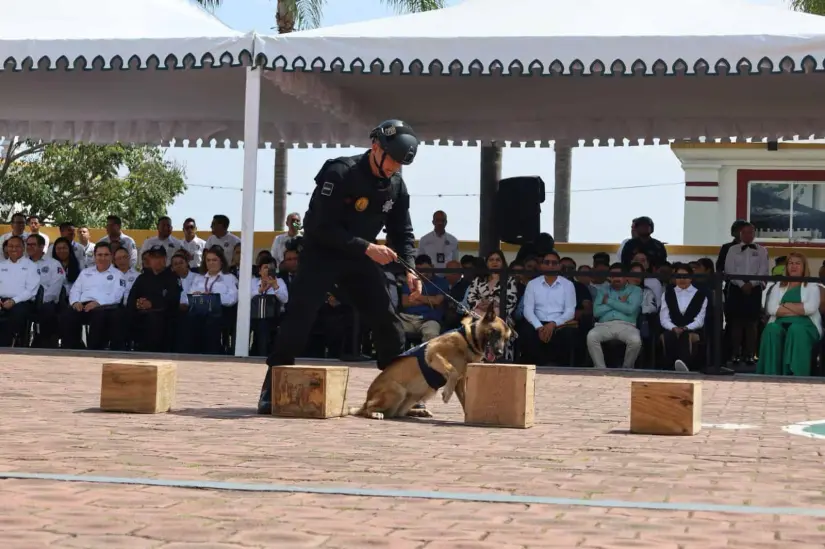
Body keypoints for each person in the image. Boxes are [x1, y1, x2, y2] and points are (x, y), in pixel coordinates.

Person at [258, 119, 420, 414]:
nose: (394, 168)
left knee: (387, 319)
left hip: (359, 258)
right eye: (392, 160)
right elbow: (318, 227)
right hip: (322, 253)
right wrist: (367, 247)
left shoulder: (396, 185)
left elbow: (403, 233)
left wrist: (409, 268)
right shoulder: (340, 172)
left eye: (400, 164)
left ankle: (399, 393)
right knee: (300, 316)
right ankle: (272, 386)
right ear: (375, 148)